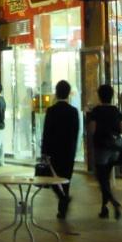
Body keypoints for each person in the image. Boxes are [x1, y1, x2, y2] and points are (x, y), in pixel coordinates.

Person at [40, 80, 80, 220]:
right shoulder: (73, 112)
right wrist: (74, 150)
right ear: (68, 93)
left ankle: (63, 199)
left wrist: (44, 152)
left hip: (54, 152)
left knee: (53, 179)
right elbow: (75, 133)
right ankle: (62, 209)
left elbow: (46, 133)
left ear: (56, 93)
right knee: (66, 180)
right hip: (68, 151)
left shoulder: (51, 111)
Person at [86, 83, 122, 220]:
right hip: (114, 149)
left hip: (101, 147)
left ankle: (113, 202)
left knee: (101, 178)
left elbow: (92, 129)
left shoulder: (96, 111)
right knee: (105, 178)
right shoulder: (116, 110)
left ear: (100, 96)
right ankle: (104, 208)